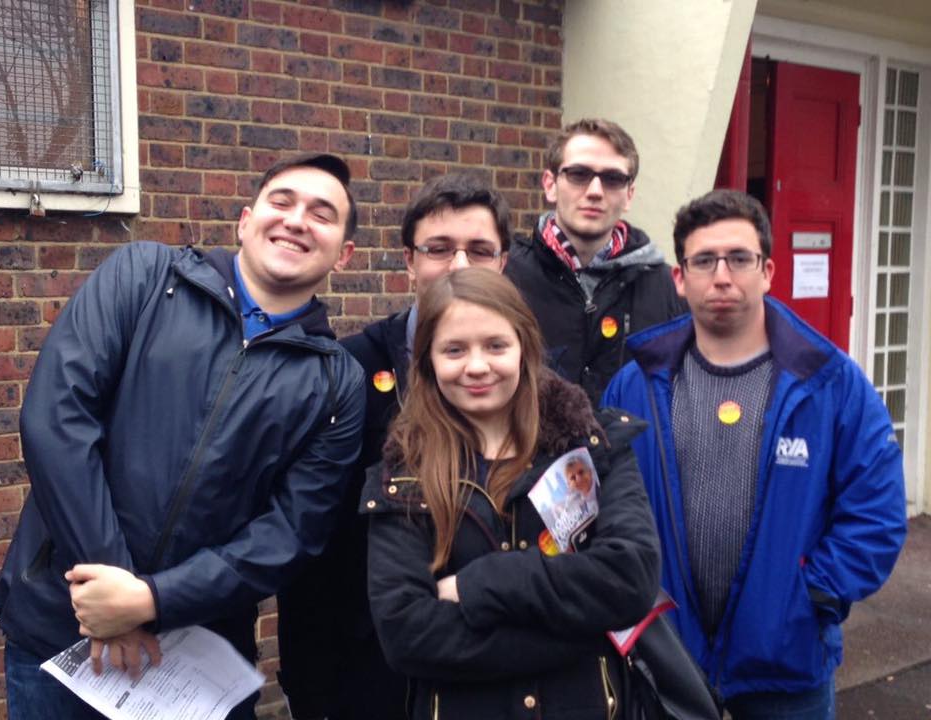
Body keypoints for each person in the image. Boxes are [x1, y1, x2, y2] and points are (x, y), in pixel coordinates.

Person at [0, 154, 366, 720]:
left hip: (195, 665)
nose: (296, 220)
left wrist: (151, 601)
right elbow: (57, 418)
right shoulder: (143, 277)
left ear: (345, 253)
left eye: (322, 214)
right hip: (63, 631)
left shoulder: (337, 382)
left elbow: (290, 533)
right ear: (246, 220)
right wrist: (113, 590)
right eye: (282, 202)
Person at [602, 189, 907, 719]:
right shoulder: (635, 385)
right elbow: (603, 506)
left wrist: (811, 598)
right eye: (704, 261)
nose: (722, 276)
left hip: (784, 668)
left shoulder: (831, 383)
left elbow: (876, 513)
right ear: (680, 278)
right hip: (664, 661)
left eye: (739, 259)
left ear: (767, 271)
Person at [362, 268, 660, 720]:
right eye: (454, 350)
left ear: (524, 347)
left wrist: (476, 584)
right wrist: (584, 630)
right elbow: (407, 634)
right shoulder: (402, 479)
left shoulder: (594, 447)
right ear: (427, 361)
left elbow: (631, 577)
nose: (477, 366)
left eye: (495, 345)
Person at [277, 173, 511, 720]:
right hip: (367, 675)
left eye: (479, 250)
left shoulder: (528, 385)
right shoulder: (347, 371)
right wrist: (311, 688)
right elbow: (310, 535)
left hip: (492, 667)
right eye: (439, 249)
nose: (458, 266)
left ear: (503, 263)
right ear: (409, 262)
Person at [505, 118, 686, 405]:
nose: (595, 191)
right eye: (579, 174)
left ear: (629, 195)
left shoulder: (668, 288)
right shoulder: (506, 277)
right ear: (550, 185)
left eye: (612, 179)